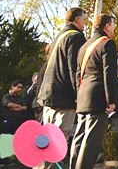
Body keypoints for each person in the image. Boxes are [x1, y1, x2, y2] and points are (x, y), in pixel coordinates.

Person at [69, 14, 117, 169]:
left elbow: (78, 74)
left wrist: (78, 95)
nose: (114, 29)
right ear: (107, 26)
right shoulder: (106, 44)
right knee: (91, 143)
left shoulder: (84, 46)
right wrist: (111, 100)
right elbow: (108, 74)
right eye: (113, 25)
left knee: (79, 138)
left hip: (83, 96)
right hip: (98, 97)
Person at [37, 7, 87, 140]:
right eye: (84, 20)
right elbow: (75, 69)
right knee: (58, 140)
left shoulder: (58, 38)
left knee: (46, 140)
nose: (84, 24)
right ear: (77, 19)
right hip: (64, 98)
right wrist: (79, 94)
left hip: (48, 95)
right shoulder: (76, 37)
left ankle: (43, 161)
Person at [0, 80, 27, 167]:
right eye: (18, 87)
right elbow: (8, 105)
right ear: (12, 86)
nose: (19, 89)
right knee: (5, 139)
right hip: (7, 120)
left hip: (17, 120)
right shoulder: (6, 96)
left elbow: (24, 108)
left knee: (14, 140)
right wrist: (18, 107)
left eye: (21, 88)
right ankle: (1, 161)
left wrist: (14, 108)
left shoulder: (20, 98)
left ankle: (9, 160)